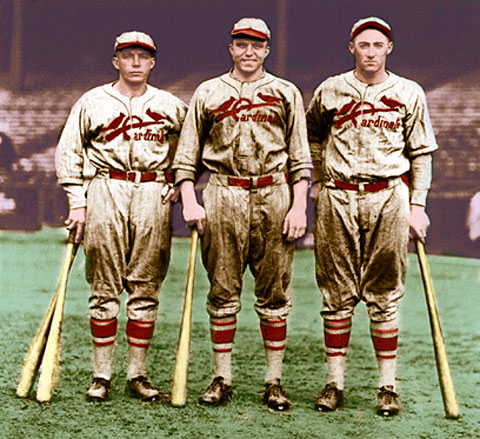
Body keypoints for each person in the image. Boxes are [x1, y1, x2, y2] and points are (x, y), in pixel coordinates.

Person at [170, 17, 311, 411]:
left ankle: (273, 381)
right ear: (231, 48)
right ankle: (222, 377)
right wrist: (190, 199)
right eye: (241, 44)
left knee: (275, 293)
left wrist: (299, 205)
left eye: (257, 45)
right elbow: (187, 157)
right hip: (224, 192)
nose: (248, 52)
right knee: (222, 289)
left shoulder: (285, 92)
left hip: (273, 193)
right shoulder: (209, 91)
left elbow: (301, 159)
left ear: (267, 50)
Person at [305, 17, 437, 416]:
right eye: (364, 45)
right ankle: (335, 382)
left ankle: (387, 385)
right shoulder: (331, 89)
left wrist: (418, 205)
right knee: (336, 294)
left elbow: (421, 153)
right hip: (339, 196)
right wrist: (320, 173)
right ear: (352, 48)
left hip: (388, 195)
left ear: (389, 48)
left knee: (384, 293)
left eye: (378, 45)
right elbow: (311, 135)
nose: (370, 52)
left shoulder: (408, 91)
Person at [55, 31, 187, 402]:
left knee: (145, 286)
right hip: (105, 188)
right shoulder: (93, 101)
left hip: (151, 192)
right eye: (127, 56)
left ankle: (137, 373)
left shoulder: (169, 104)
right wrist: (76, 200)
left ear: (153, 62)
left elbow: (192, 146)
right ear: (116, 60)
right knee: (104, 285)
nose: (135, 63)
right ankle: (101, 374)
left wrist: (179, 180)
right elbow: (69, 151)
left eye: (142, 57)